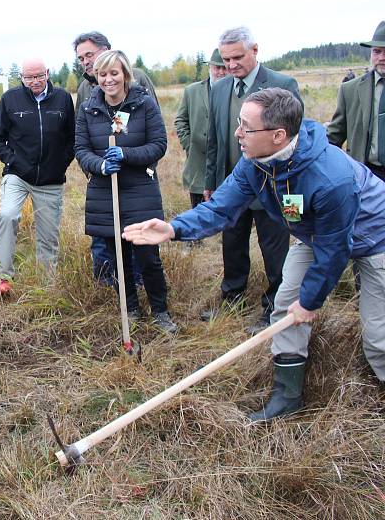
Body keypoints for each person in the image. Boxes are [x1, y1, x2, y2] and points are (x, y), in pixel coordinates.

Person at [124, 88, 385, 422]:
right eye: (239, 123)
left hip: (373, 238)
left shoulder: (331, 178)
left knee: (377, 335)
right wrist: (174, 229)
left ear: (278, 135)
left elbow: (335, 251)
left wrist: (311, 302)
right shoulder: (256, 163)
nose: (237, 133)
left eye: (246, 127)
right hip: (313, 233)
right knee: (284, 306)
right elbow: (222, 206)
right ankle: (287, 397)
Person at [203, 26, 301, 334]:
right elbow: (215, 140)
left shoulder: (281, 85)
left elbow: (295, 142)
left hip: (273, 188)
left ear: (255, 50)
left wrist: (293, 197)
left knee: (275, 251)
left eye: (237, 58)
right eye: (226, 59)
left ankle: (274, 307)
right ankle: (232, 297)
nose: (231, 65)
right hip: (233, 187)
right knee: (231, 244)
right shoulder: (219, 89)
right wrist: (211, 182)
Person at [75, 50, 176, 333]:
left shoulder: (143, 104)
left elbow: (158, 145)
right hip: (104, 194)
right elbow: (81, 150)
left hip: (139, 191)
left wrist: (126, 154)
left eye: (114, 73)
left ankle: (160, 311)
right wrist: (100, 165)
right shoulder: (88, 109)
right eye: (103, 74)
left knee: (147, 257)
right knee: (117, 256)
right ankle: (130, 307)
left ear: (125, 74)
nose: (108, 80)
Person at [73, 31, 156, 288]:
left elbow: (153, 131)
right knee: (103, 236)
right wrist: (94, 168)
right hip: (102, 180)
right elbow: (81, 136)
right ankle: (108, 285)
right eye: (81, 58)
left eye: (90, 54)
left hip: (136, 178)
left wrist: (143, 167)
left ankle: (140, 285)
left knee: (137, 238)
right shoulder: (85, 88)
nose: (86, 61)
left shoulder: (137, 77)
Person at [0, 58, 75, 295]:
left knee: (48, 234)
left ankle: (47, 286)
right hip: (17, 174)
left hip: (51, 179)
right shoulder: (10, 99)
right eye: (29, 77)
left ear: (47, 73)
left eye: (39, 76)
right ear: (22, 78)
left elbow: (72, 138)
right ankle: (4, 277)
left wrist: (60, 165)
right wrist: (13, 160)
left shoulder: (63, 99)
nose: (34, 81)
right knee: (7, 215)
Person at [327, 21, 385, 182]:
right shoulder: (350, 90)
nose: (381, 58)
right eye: (377, 52)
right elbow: (334, 136)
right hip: (367, 176)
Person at [175, 49, 227, 210]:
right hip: (198, 165)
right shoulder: (192, 91)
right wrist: (190, 146)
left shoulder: (236, 91)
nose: (220, 72)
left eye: (224, 67)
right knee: (199, 214)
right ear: (210, 67)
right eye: (216, 67)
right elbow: (181, 120)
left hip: (227, 165)